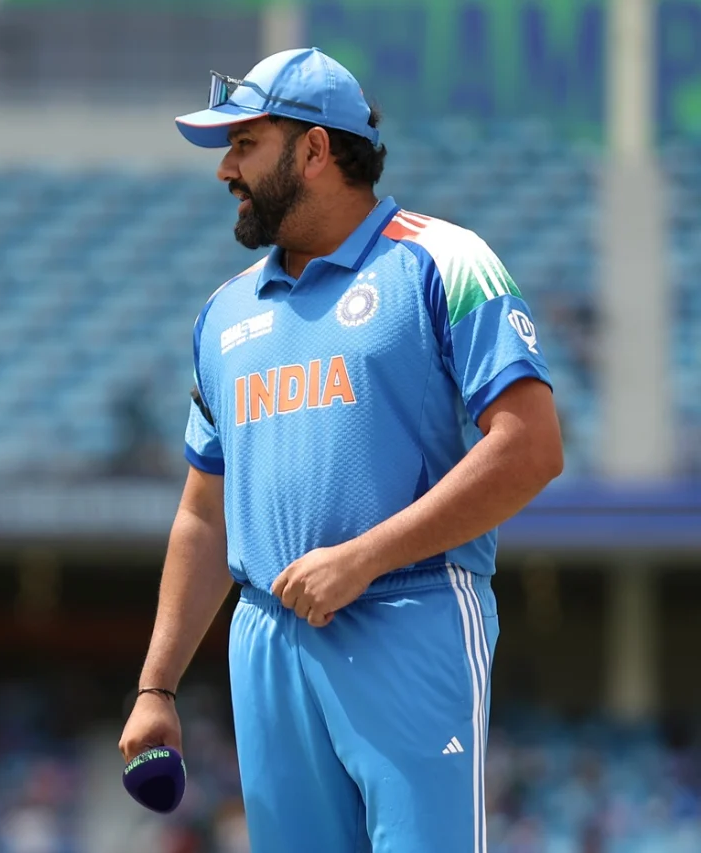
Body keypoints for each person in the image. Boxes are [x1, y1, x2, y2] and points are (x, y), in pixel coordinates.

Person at [118, 47, 563, 852]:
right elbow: (203, 513)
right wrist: (157, 684)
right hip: (265, 641)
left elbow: (530, 446)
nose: (225, 169)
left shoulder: (443, 259)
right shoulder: (221, 316)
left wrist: (363, 559)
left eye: (245, 144)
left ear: (316, 150)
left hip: (410, 614)